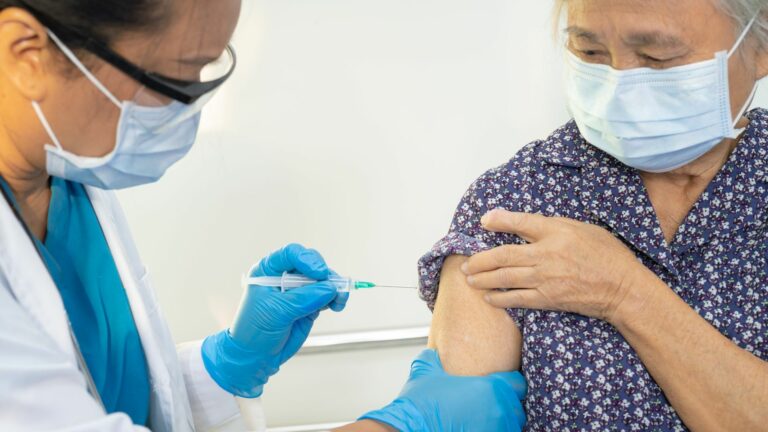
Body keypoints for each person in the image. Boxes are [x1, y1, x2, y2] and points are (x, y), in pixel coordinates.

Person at [0, 0, 528, 431]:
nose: (189, 113)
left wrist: (226, 363)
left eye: (207, 73)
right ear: (26, 54)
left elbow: (105, 393)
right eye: (177, 79)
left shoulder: (69, 180)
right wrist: (399, 428)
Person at [419, 0, 768, 430]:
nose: (619, 88)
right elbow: (457, 408)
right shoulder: (516, 200)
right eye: (590, 52)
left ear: (760, 45)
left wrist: (626, 293)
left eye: (658, 57)